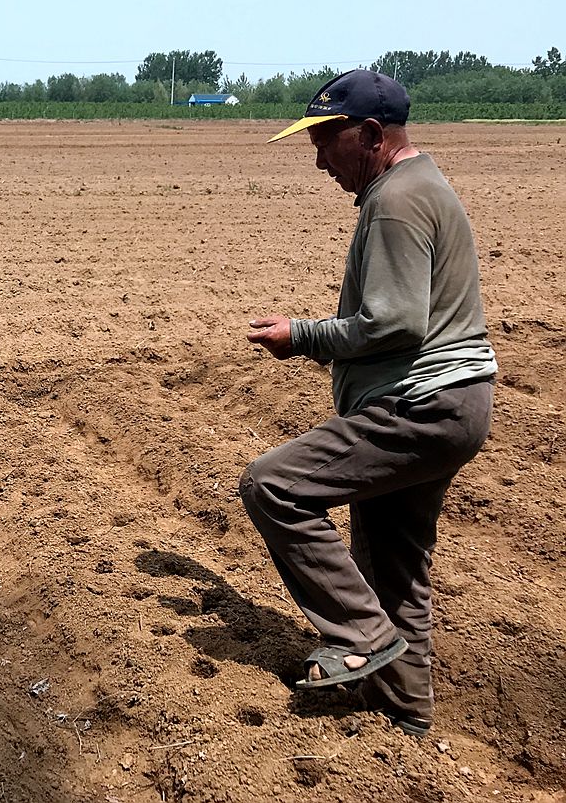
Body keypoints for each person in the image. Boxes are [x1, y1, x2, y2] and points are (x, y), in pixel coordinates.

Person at [238, 69, 496, 738]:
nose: (319, 158)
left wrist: (304, 336)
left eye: (328, 140)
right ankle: (406, 720)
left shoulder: (396, 199)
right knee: (392, 567)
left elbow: (393, 323)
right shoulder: (419, 186)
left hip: (422, 403)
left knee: (274, 486)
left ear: (373, 135)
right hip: (453, 403)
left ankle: (361, 635)